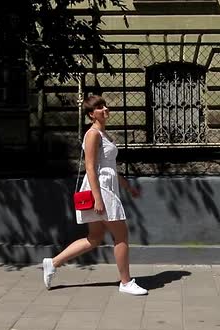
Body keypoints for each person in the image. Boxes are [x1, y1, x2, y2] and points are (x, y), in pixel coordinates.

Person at [42, 95, 148, 296]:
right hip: (100, 188)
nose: (105, 109)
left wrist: (127, 187)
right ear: (91, 114)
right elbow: (90, 168)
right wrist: (97, 197)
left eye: (105, 105)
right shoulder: (92, 135)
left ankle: (53, 262)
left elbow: (110, 168)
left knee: (95, 237)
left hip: (106, 185)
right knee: (121, 235)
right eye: (99, 107)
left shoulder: (104, 135)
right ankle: (125, 282)